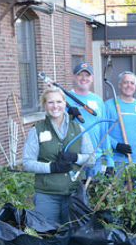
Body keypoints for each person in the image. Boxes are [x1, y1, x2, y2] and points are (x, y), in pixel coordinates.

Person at [23, 85, 95, 224]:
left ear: (64, 104)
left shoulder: (78, 129)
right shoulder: (37, 130)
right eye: (50, 102)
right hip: (47, 194)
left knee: (75, 235)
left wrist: (75, 157)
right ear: (45, 105)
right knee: (48, 233)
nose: (55, 106)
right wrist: (52, 167)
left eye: (58, 102)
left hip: (74, 194)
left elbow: (91, 159)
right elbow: (27, 163)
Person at [68, 62, 114, 177]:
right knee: (75, 193)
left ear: (92, 78)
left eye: (87, 75)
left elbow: (104, 131)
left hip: (95, 157)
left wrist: (110, 161)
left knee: (95, 193)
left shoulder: (97, 100)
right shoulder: (64, 98)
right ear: (74, 77)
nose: (84, 78)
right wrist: (67, 116)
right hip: (74, 157)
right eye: (80, 75)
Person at [104, 71, 136, 166]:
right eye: (125, 82)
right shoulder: (109, 105)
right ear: (119, 85)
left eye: (132, 83)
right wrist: (116, 145)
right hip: (116, 161)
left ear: (135, 86)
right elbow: (103, 132)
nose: (129, 86)